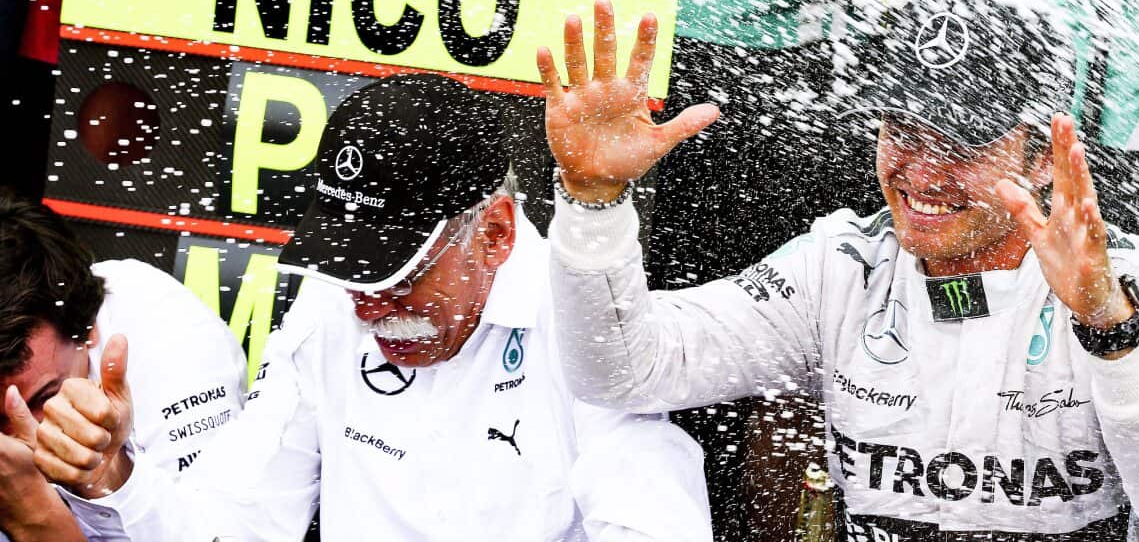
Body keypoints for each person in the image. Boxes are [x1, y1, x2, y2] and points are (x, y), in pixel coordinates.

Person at [533, 0, 1139, 539]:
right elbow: (624, 375)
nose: (924, 172)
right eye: (901, 130)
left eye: (962, 142)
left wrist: (1107, 326)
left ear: (1041, 158)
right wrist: (593, 205)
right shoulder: (839, 266)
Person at [35, 74, 714, 540]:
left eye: (398, 277)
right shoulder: (332, 304)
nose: (367, 307)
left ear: (497, 233)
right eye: (352, 272)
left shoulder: (588, 324)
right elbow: (237, 520)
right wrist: (114, 475)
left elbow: (654, 522)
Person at [0, 193, 245, 539]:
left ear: (88, 329)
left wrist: (36, 518)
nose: (16, 440)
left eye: (42, 398)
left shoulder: (167, 336)